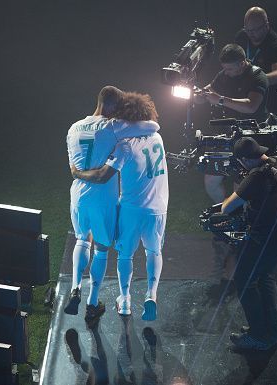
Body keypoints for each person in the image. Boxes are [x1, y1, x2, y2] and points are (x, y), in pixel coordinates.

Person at [66, 86, 160, 326]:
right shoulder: (112, 127)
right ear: (110, 107)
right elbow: (150, 126)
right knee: (101, 248)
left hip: (77, 194)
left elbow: (73, 168)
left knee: (81, 239)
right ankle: (92, 302)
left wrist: (78, 173)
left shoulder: (74, 127)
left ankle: (75, 287)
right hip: (102, 198)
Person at [221, 136, 277, 350]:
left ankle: (259, 336)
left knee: (244, 280)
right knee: (264, 276)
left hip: (264, 238)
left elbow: (226, 208)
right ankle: (270, 332)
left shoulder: (256, 175)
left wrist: (241, 188)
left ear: (245, 160)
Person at [196, 43, 269, 203]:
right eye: (225, 69)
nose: (226, 73)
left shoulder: (257, 76)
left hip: (250, 137)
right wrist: (200, 95)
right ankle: (227, 212)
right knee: (211, 181)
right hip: (229, 134)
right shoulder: (224, 75)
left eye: (229, 69)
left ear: (242, 63)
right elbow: (209, 90)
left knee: (241, 186)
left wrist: (221, 100)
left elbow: (251, 106)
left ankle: (241, 220)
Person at [235, 6, 277, 119]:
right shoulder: (242, 36)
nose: (251, 34)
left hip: (268, 101)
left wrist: (256, 81)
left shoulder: (276, 44)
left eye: (256, 30)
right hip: (243, 98)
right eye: (248, 30)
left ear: (266, 25)